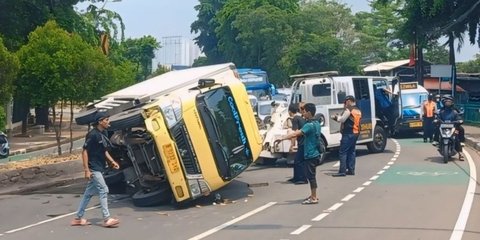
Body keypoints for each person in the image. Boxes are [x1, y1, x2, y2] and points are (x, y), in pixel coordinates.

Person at [71, 111, 121, 228]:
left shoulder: (103, 134)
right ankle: (107, 218)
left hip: (100, 166)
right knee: (104, 189)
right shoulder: (92, 135)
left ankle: (78, 218)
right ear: (100, 121)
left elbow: (104, 151)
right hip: (94, 168)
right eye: (106, 120)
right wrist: (86, 170)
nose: (109, 122)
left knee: (88, 194)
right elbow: (84, 151)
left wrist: (112, 162)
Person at [276, 103, 321, 204]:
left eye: (304, 112)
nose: (303, 114)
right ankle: (313, 195)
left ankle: (314, 197)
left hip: (310, 153)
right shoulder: (317, 123)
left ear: (309, 113)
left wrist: (282, 138)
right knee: (311, 175)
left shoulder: (309, 125)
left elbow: (296, 133)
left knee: (311, 176)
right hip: (315, 152)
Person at [331, 95, 362, 177]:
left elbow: (342, 119)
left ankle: (342, 171)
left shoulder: (349, 110)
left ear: (349, 101)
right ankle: (351, 170)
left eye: (345, 102)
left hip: (348, 132)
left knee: (343, 152)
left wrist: (335, 117)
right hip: (356, 132)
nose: (344, 104)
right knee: (352, 151)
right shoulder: (358, 110)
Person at [432, 95, 465, 160]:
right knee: (437, 128)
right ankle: (436, 140)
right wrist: (436, 120)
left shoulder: (455, 111)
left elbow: (459, 117)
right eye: (446, 102)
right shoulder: (441, 111)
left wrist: (459, 121)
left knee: (457, 136)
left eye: (449, 102)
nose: (447, 103)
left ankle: (460, 153)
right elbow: (438, 117)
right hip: (443, 126)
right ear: (444, 103)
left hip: (453, 127)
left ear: (452, 102)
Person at [285, 103, 307, 184]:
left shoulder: (295, 119)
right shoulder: (300, 117)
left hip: (302, 142)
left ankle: (302, 179)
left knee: (299, 161)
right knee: (297, 160)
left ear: (290, 111)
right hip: (304, 141)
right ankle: (296, 177)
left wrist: (292, 145)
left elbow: (295, 133)